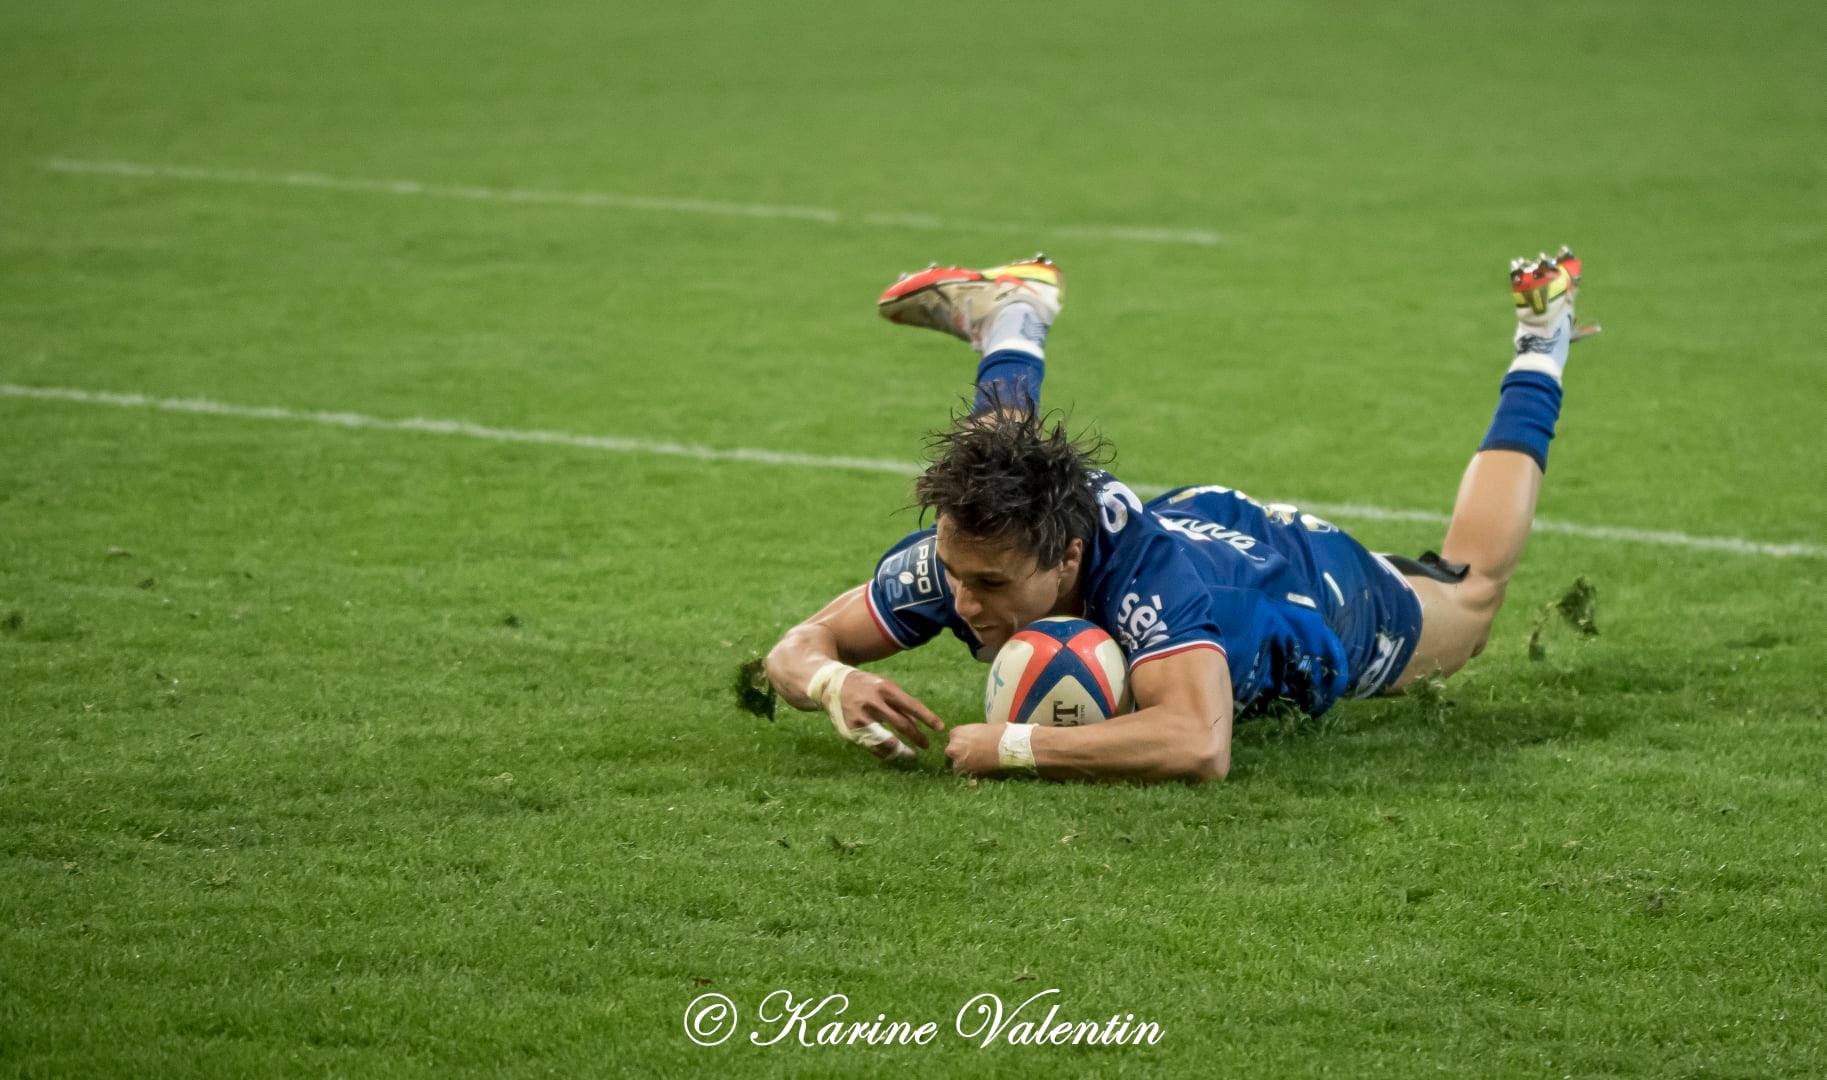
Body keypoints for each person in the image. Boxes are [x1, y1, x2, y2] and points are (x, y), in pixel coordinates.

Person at [764, 249, 1597, 783]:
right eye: (954, 573)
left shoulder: (1151, 587)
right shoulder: (966, 555)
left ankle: (1541, 340)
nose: (962, 600)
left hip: (1301, 590)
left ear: (1066, 561)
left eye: (987, 583)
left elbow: (1198, 744)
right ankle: (1010, 313)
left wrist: (1016, 747)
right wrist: (835, 682)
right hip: (1181, 518)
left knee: (1472, 595)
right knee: (1001, 466)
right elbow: (794, 650)